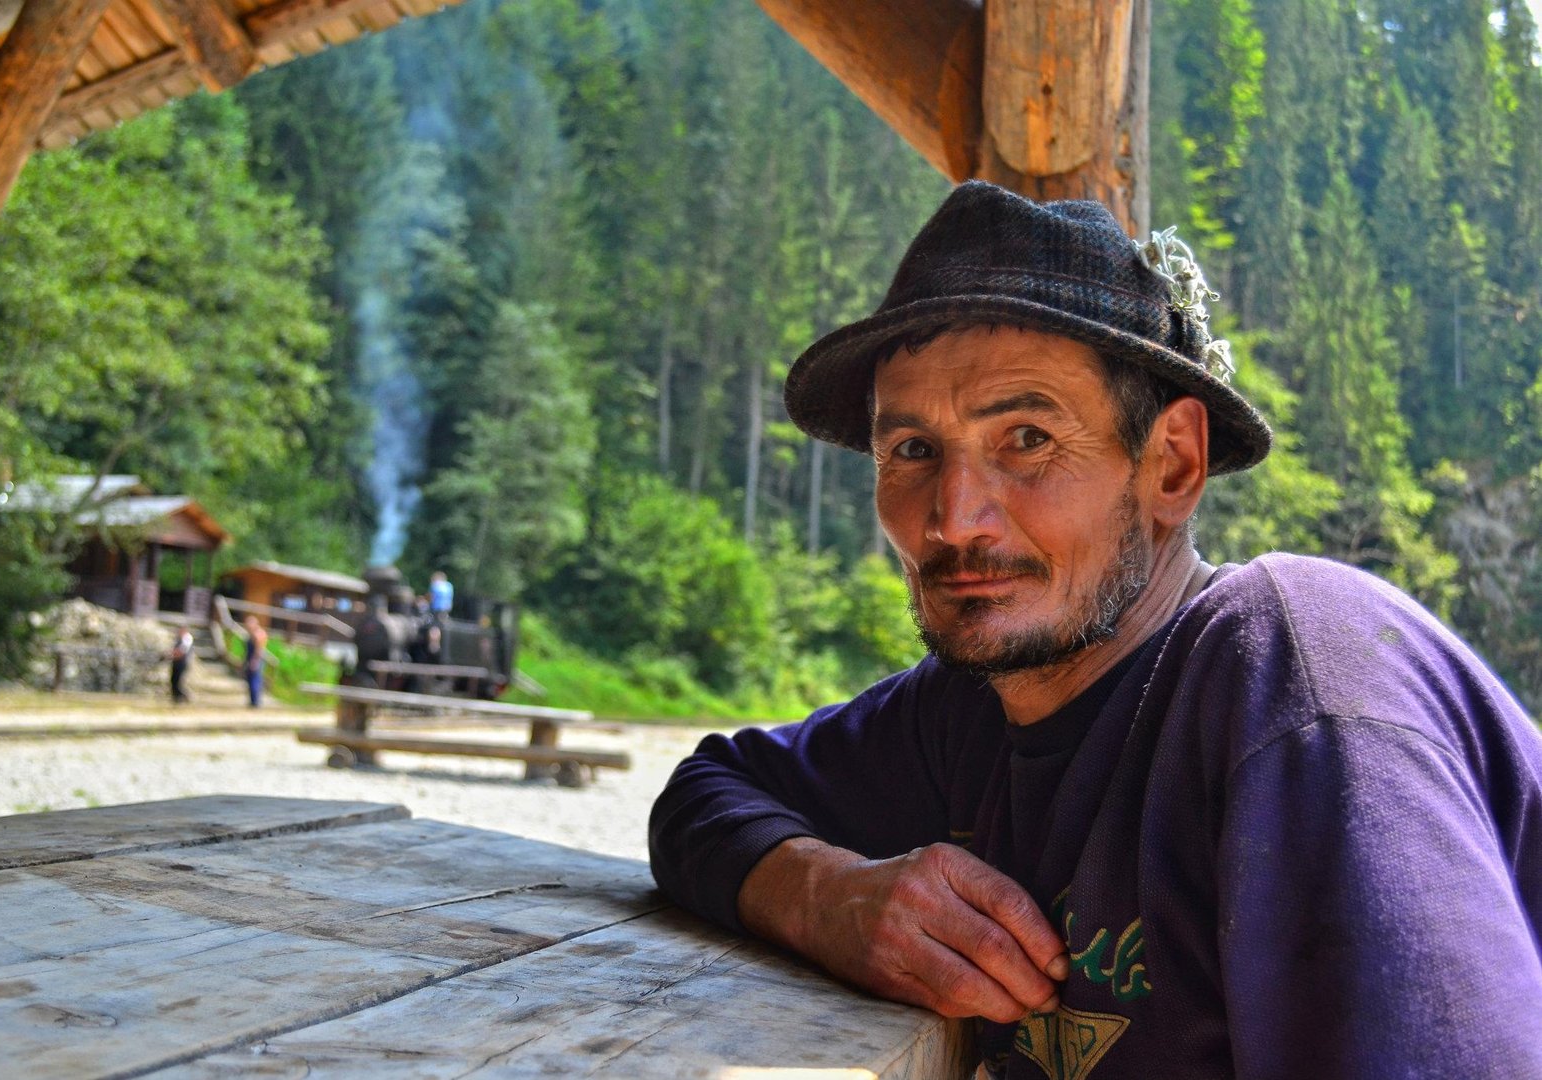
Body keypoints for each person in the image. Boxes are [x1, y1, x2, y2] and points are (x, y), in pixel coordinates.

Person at [648, 182, 1542, 1079]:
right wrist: (829, 898)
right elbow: (706, 794)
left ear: (1171, 464)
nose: (953, 520)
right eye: (912, 450)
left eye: (1027, 437)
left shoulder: (1294, 683)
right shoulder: (971, 707)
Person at [242, 614, 267, 708]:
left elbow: (259, 649)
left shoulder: (258, 634)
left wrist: (255, 661)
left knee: (255, 681)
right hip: (250, 658)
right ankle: (253, 701)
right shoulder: (251, 634)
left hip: (256, 660)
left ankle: (256, 702)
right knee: (250, 680)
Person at [168, 627, 193, 704]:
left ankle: (184, 696)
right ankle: (176, 697)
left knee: (179, 682)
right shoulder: (179, 638)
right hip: (176, 662)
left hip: (182, 662)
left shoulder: (187, 638)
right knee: (173, 680)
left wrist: (172, 654)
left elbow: (182, 651)